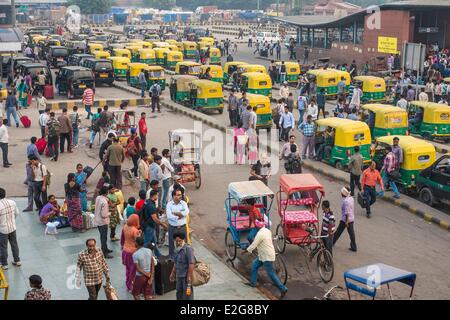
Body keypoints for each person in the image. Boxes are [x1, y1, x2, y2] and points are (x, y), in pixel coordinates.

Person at [246, 219, 288, 298]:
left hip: (266, 256)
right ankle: (253, 283)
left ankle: (283, 289)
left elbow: (254, 244)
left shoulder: (259, 234)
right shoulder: (267, 231)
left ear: (258, 227)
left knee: (271, 274)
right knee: (254, 265)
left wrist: (248, 249)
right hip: (264, 255)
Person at [170, 232, 195, 300]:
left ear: (183, 240)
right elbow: (176, 263)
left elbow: (191, 264)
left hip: (186, 277)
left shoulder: (188, 249)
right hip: (179, 276)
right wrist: (172, 273)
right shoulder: (176, 250)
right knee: (179, 293)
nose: (178, 243)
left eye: (179, 241)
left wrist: (189, 276)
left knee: (188, 295)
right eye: (176, 241)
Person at [141, 190, 168, 256]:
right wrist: (163, 224)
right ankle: (143, 256)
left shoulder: (147, 202)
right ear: (155, 195)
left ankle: (158, 254)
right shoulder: (151, 206)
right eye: (157, 195)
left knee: (154, 241)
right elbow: (155, 218)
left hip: (147, 225)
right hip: (149, 227)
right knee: (146, 242)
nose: (157, 197)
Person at [0, 188, 21, 270]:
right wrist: (12, 221)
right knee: (14, 244)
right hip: (13, 228)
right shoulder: (12, 202)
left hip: (2, 230)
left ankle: (4, 264)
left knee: (3, 247)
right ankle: (17, 260)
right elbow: (17, 213)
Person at [166, 189, 189, 258]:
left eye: (181, 195)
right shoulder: (169, 204)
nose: (180, 196)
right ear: (173, 196)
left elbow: (186, 212)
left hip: (182, 228)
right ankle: (172, 260)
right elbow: (169, 216)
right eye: (178, 195)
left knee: (183, 245)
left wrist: (177, 214)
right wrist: (179, 216)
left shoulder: (183, 203)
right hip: (172, 228)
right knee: (172, 245)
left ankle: (184, 258)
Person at [121, 214, 141, 292]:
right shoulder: (134, 230)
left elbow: (122, 239)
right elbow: (138, 242)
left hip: (125, 251)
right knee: (133, 271)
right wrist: (139, 234)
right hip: (132, 253)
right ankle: (130, 286)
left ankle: (128, 283)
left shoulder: (125, 226)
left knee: (128, 269)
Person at [333, 187, 357, 252]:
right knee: (351, 233)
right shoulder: (351, 198)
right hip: (351, 218)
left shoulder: (345, 201)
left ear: (343, 193)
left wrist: (346, 222)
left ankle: (332, 242)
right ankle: (354, 247)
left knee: (338, 231)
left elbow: (347, 212)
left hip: (345, 220)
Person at [94, 187, 113, 258]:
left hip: (98, 220)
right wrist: (110, 213)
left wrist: (108, 200)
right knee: (103, 237)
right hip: (103, 222)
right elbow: (104, 215)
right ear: (106, 193)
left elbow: (105, 198)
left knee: (103, 236)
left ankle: (106, 249)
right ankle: (104, 252)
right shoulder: (104, 202)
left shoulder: (98, 198)